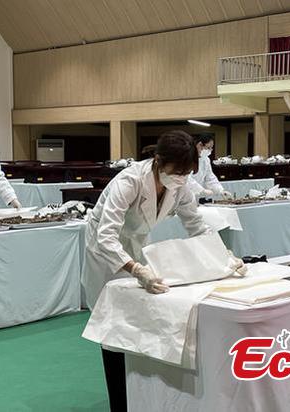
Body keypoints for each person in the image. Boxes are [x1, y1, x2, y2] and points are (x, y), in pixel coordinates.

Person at [82, 130, 245, 412]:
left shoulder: (179, 184)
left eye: (187, 173)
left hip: (136, 245)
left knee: (139, 321)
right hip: (105, 252)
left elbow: (196, 225)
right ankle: (120, 403)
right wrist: (135, 269)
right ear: (158, 161)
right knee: (113, 330)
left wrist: (224, 255)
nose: (182, 178)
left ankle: (142, 396)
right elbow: (106, 236)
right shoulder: (130, 181)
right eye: (178, 171)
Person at [188, 134, 231, 198]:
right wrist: (201, 190)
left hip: (196, 196)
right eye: (208, 148)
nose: (210, 150)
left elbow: (210, 178)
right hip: (186, 194)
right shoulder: (188, 158)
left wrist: (220, 190)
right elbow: (187, 179)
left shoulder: (205, 159)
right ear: (199, 145)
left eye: (211, 148)